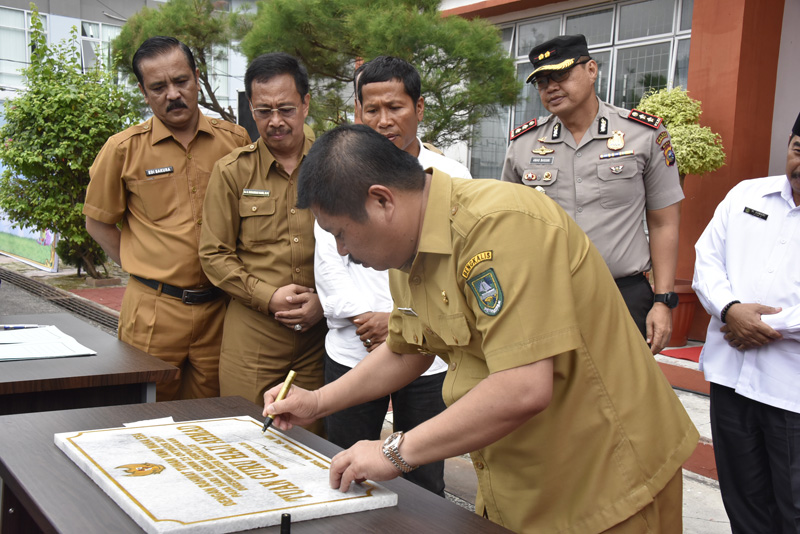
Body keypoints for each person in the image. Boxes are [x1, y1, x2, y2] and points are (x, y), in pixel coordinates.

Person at [264, 124, 699, 534]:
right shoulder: (408, 253)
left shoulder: (502, 225)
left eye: (341, 233)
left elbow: (522, 387)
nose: (341, 251)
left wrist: (393, 452)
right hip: (522, 477)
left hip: (607, 478)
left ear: (382, 201)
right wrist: (316, 401)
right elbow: (407, 349)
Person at [314, 56, 471, 496]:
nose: (383, 121)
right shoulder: (339, 177)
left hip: (430, 350)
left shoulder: (455, 184)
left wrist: (397, 321)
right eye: (371, 110)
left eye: (395, 108)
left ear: (419, 108)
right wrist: (369, 318)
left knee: (422, 475)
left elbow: (456, 274)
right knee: (342, 467)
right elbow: (328, 260)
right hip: (357, 343)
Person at [84, 36, 250, 400]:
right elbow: (97, 222)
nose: (173, 94)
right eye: (158, 87)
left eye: (181, 81)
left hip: (221, 310)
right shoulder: (123, 150)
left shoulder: (234, 141)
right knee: (144, 416)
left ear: (196, 76)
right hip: (152, 312)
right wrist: (140, 263)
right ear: (144, 92)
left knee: (215, 418)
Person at [501, 34, 683, 355]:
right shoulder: (523, 145)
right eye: (542, 81)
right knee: (553, 399)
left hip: (623, 295)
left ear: (591, 70)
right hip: (547, 298)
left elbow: (664, 222)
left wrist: (663, 301)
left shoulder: (642, 134)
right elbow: (509, 228)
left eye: (560, 74)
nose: (551, 87)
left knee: (623, 398)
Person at [199, 53, 325, 435]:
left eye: (286, 108)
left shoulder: (334, 163)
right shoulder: (232, 171)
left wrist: (325, 301)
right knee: (245, 439)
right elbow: (213, 254)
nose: (275, 121)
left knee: (314, 448)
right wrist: (267, 296)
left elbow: (361, 248)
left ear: (306, 103)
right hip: (253, 336)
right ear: (251, 110)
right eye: (263, 110)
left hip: (322, 337)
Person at [691, 112, 800, 533]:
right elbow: (707, 259)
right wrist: (731, 308)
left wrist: (766, 326)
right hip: (731, 379)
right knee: (743, 502)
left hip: (790, 389)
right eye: (798, 150)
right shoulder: (745, 195)